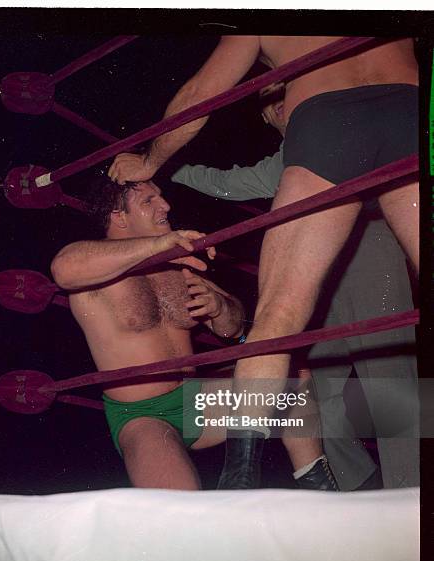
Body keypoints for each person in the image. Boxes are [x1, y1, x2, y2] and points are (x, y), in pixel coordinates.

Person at [108, 36, 419, 489]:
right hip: (409, 111)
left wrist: (150, 161)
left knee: (284, 320)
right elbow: (228, 181)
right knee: (321, 377)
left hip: (331, 135)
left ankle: (244, 483)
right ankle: (339, 482)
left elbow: (198, 96)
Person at [51, 178, 336, 490]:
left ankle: (316, 483)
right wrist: (158, 245)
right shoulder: (93, 268)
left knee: (290, 372)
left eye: (161, 196)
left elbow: (233, 328)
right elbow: (63, 269)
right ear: (119, 217)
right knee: (184, 514)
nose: (166, 205)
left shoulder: (175, 265)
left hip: (196, 401)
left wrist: (220, 308)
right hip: (143, 417)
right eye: (149, 201)